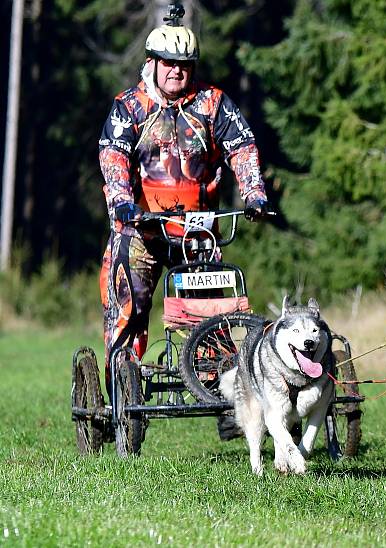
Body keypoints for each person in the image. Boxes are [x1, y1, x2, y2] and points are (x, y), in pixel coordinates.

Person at [98, 3, 274, 396]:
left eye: (184, 65)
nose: (176, 71)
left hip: (196, 231)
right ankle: (123, 390)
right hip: (141, 228)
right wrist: (123, 202)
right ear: (152, 63)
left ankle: (224, 391)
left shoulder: (212, 105)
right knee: (128, 305)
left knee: (213, 313)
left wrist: (254, 193)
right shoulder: (130, 107)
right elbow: (113, 155)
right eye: (168, 63)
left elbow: (242, 147)